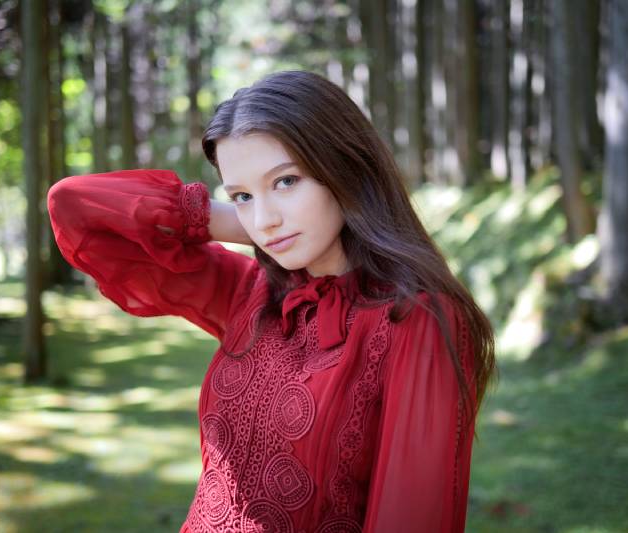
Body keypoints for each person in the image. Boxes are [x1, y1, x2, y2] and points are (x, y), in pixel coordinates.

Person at [47, 70, 496, 533]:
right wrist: (234, 221)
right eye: (241, 194)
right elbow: (74, 207)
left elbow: (410, 517)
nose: (265, 219)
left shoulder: (417, 318)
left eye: (285, 182)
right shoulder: (252, 291)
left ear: (346, 167)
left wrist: (303, 215)